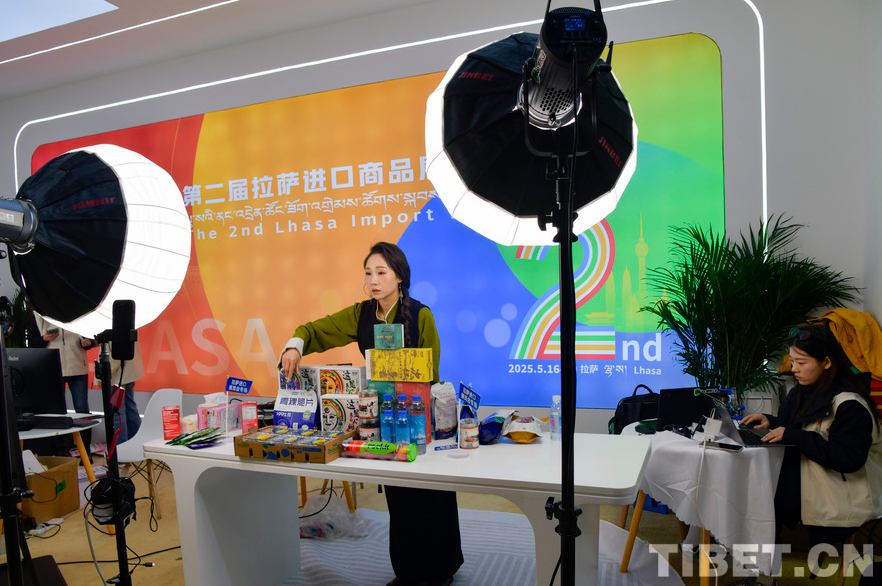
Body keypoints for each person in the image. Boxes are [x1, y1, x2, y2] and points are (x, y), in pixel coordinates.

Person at [279, 242, 462, 586]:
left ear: (399, 276)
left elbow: (432, 372)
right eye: (368, 273)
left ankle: (441, 571)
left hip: (415, 417)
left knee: (430, 494)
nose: (373, 280)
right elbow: (317, 329)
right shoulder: (361, 314)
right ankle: (407, 573)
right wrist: (295, 344)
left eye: (381, 272)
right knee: (399, 496)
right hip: (381, 420)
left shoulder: (421, 314)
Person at [736, 324, 882, 586]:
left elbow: (848, 458)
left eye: (802, 363)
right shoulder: (800, 392)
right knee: (754, 493)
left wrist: (791, 434)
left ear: (827, 362)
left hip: (838, 494)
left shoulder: (850, 405)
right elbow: (795, 429)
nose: (794, 369)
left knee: (761, 500)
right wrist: (770, 422)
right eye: (793, 361)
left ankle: (762, 579)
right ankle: (761, 576)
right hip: (811, 480)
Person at [34, 313, 97, 455]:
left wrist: (89, 343)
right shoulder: (39, 313)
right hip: (53, 367)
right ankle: (60, 452)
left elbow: (92, 339)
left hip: (77, 366)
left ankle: (86, 451)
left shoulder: (78, 310)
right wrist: (44, 339)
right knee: (57, 412)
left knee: (82, 409)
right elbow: (32, 341)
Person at [109, 339, 145, 444]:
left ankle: (121, 447)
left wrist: (105, 372)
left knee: (117, 412)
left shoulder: (114, 327)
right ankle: (137, 443)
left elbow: (115, 355)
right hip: (127, 372)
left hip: (116, 376)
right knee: (130, 409)